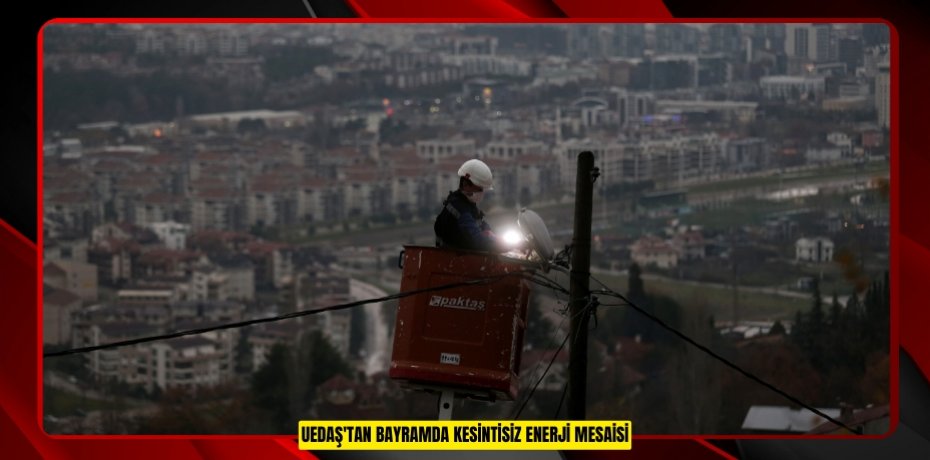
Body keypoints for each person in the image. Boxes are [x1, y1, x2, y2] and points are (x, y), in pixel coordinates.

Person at [434, 159, 510, 253]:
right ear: (465, 185)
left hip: (461, 259)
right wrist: (507, 246)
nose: (482, 193)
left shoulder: (468, 205)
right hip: (454, 261)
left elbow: (482, 225)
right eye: (480, 188)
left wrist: (493, 236)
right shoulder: (459, 208)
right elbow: (477, 240)